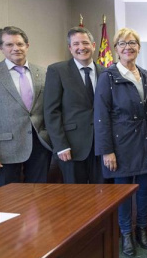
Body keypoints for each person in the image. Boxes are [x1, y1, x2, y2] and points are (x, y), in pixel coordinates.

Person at [94, 28, 147, 257]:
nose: (128, 47)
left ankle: (142, 230)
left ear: (138, 47)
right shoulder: (108, 77)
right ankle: (126, 234)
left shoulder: (146, 75)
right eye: (123, 43)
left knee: (145, 190)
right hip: (120, 147)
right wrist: (107, 151)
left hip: (146, 143)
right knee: (123, 194)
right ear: (115, 49)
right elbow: (101, 116)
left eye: (132, 43)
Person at [44, 27, 105, 184]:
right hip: (71, 147)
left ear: (93, 45)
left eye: (85, 43)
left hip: (100, 146)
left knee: (104, 195)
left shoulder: (105, 72)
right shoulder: (57, 70)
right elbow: (51, 111)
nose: (81, 47)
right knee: (75, 199)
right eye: (76, 44)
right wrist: (61, 145)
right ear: (70, 48)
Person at [0, 26, 52, 186]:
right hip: (6, 149)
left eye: (20, 44)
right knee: (8, 201)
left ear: (27, 46)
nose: (16, 48)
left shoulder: (44, 73)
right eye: (9, 45)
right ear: (1, 48)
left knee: (39, 198)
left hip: (40, 145)